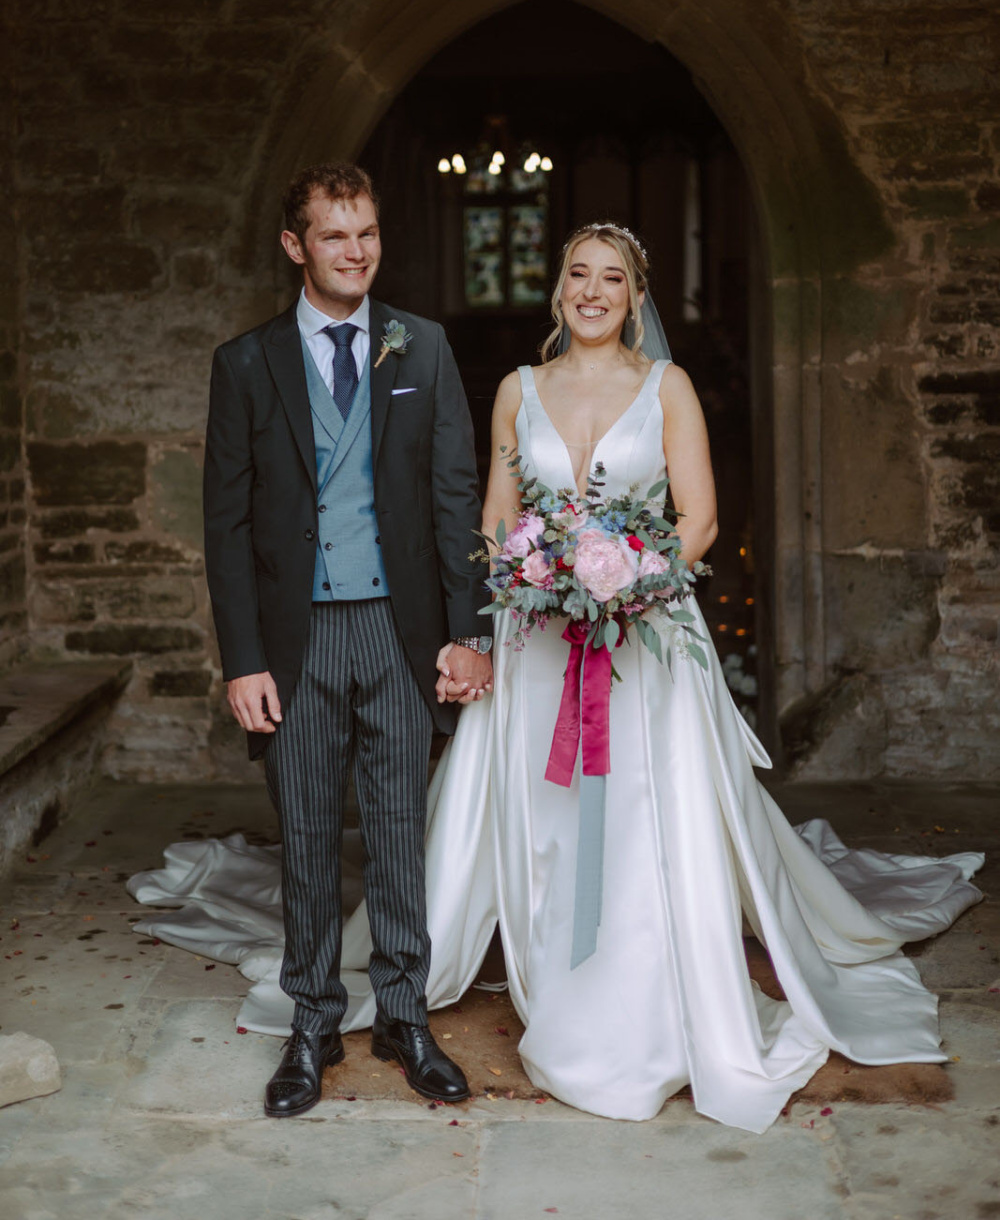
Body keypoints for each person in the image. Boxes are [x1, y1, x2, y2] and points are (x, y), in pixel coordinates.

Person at [133, 221, 983, 1134]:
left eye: (610, 278)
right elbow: (490, 514)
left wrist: (627, 581)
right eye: (578, 274)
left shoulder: (669, 388)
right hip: (538, 637)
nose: (591, 291)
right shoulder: (514, 391)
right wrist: (529, 579)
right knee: (538, 812)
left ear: (635, 294)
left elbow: (697, 520)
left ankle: (637, 983)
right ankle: (526, 967)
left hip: (642, 636)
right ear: (559, 289)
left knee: (640, 810)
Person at [200, 162, 493, 1117]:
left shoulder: (427, 349)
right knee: (309, 832)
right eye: (335, 236)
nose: (356, 252)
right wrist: (242, 657)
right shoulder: (246, 365)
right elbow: (228, 523)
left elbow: (456, 500)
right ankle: (313, 1022)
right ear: (296, 246)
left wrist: (467, 632)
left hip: (399, 632)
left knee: (403, 827)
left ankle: (405, 1014)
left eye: (366, 233)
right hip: (294, 641)